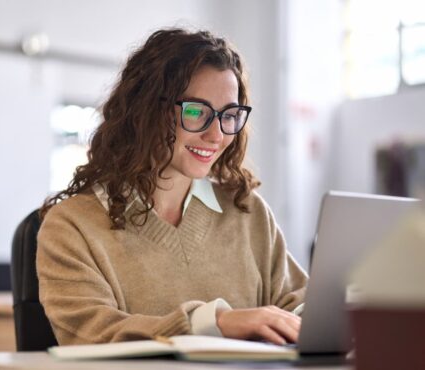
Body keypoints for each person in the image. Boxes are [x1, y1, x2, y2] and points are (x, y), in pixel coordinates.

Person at [37, 28, 308, 346]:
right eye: (196, 112)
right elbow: (93, 334)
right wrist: (215, 323)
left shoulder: (249, 213)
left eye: (229, 115)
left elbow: (299, 310)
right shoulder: (71, 226)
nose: (216, 136)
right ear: (145, 112)